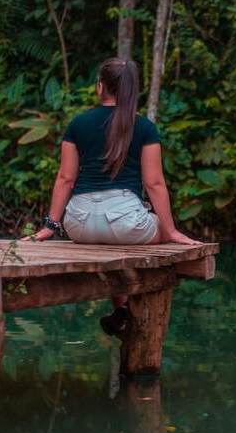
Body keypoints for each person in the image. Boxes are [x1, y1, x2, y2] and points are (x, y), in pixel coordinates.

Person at [25, 57, 200, 333]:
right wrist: (170, 231)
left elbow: (66, 178)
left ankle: (121, 308)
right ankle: (127, 307)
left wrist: (49, 227)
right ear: (133, 90)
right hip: (126, 222)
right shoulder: (144, 127)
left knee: (109, 246)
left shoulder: (78, 124)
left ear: (100, 87)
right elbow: (154, 183)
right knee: (146, 230)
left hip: (78, 224)